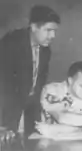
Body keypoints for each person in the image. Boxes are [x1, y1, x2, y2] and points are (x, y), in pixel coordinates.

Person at [0, 5, 60, 137]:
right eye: (48, 30)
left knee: (34, 141)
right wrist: (3, 125)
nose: (53, 36)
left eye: (55, 31)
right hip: (7, 108)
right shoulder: (11, 43)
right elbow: (4, 85)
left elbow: (38, 85)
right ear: (33, 27)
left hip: (31, 106)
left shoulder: (46, 50)